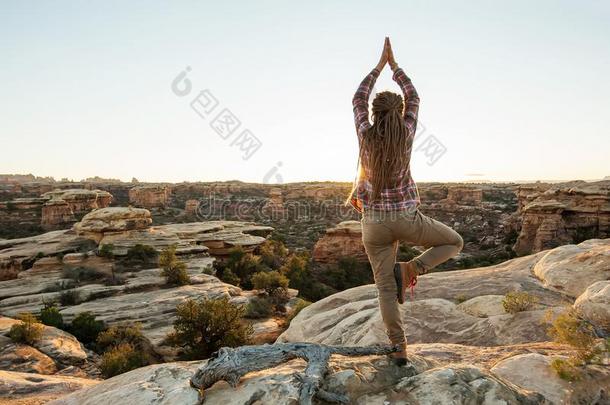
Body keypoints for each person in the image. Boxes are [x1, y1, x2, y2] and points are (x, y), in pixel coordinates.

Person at [347, 37, 464, 366]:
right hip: (407, 218)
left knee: (385, 288)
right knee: (454, 242)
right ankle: (412, 268)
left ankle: (399, 348)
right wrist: (395, 67)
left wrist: (377, 67)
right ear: (400, 113)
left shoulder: (365, 134)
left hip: (372, 223)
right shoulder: (408, 132)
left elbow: (357, 97)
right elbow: (413, 95)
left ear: (372, 113)